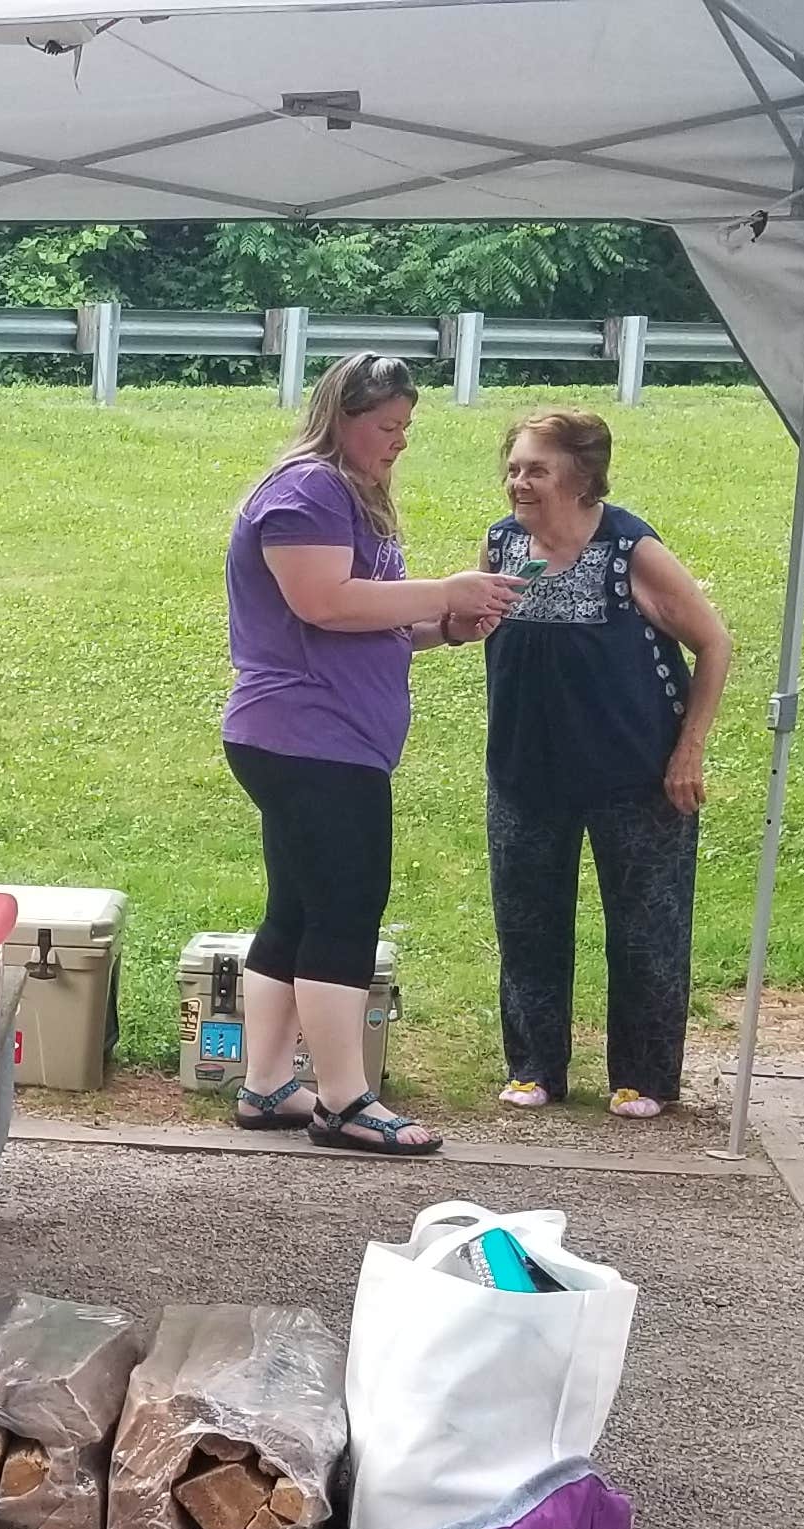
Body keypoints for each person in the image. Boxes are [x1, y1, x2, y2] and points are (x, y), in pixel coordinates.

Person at [220, 353, 525, 1156]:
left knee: (297, 910)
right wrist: (445, 591)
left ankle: (267, 1085)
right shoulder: (308, 490)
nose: (397, 442)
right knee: (347, 909)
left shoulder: (341, 493)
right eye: (385, 426)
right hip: (310, 737)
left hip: (314, 735)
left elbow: (363, 621)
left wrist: (445, 628)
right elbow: (322, 602)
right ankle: (345, 1100)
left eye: (405, 429)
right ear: (342, 415)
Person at [477, 408, 734, 1120]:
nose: (519, 482)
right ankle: (535, 1068)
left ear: (583, 477)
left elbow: (714, 643)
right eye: (514, 467)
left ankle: (644, 1077)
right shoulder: (504, 545)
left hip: (636, 778)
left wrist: (689, 749)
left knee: (647, 933)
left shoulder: (630, 549)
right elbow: (474, 623)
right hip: (527, 774)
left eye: (537, 469)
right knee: (527, 927)